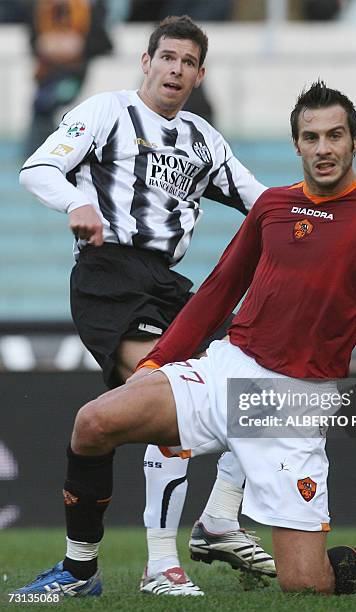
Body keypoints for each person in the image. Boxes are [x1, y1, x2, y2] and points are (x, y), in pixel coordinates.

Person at [15, 80, 356, 597]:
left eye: (335, 136)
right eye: (311, 137)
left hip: (293, 403)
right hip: (227, 367)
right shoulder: (273, 207)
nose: (323, 148)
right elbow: (216, 293)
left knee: (306, 581)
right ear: (296, 144)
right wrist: (156, 365)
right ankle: (80, 573)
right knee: (94, 422)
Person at [19, 15, 275, 597]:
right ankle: (160, 564)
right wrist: (73, 204)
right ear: (146, 61)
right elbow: (38, 168)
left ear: (199, 74)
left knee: (259, 379)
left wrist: (327, 224)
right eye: (167, 57)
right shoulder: (106, 111)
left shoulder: (204, 139)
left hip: (166, 283)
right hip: (108, 276)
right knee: (170, 396)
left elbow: (263, 204)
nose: (175, 69)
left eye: (187, 62)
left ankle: (218, 520)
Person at [24, 0, 113, 156]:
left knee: (50, 103)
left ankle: (44, 152)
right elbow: (33, 41)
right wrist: (44, 44)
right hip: (47, 76)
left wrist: (79, 45)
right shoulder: (41, 10)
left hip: (73, 76)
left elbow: (106, 44)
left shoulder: (87, 10)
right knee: (41, 105)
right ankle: (40, 153)